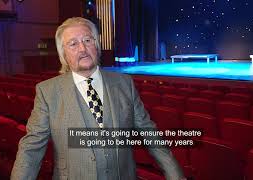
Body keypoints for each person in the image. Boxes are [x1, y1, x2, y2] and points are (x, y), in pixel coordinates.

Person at [11, 17, 186, 180]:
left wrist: (176, 176)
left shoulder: (124, 83)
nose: (82, 49)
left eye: (88, 40)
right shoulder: (47, 92)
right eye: (73, 44)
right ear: (63, 54)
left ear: (97, 45)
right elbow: (31, 149)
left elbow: (150, 135)